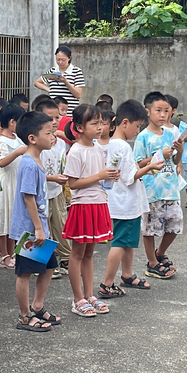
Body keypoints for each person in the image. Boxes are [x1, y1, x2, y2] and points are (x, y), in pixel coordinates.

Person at [100, 100, 162, 297]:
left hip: (118, 201)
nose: (137, 130)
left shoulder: (111, 144)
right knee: (120, 242)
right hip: (125, 203)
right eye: (137, 126)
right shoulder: (123, 147)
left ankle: (126, 275)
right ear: (125, 122)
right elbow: (129, 177)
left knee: (127, 241)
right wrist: (150, 166)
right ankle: (107, 283)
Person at [61, 104, 117, 317]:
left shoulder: (97, 149)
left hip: (98, 203)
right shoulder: (75, 151)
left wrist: (110, 177)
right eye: (94, 123)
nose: (100, 127)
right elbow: (73, 184)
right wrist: (100, 176)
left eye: (102, 123)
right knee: (77, 254)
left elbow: (98, 178)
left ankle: (90, 295)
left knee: (89, 254)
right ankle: (78, 299)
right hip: (82, 205)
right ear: (79, 128)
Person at [11, 111, 62, 331]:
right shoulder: (29, 163)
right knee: (24, 273)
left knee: (50, 265)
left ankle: (37, 305)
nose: (53, 137)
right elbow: (28, 197)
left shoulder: (36, 159)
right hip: (29, 230)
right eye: (49, 133)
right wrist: (39, 228)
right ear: (32, 138)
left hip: (38, 228)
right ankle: (24, 316)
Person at [134, 91, 184, 280]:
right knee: (150, 228)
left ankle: (160, 253)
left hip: (171, 188)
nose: (163, 115)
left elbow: (176, 160)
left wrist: (179, 151)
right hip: (152, 189)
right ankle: (152, 263)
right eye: (158, 111)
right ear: (148, 112)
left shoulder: (171, 133)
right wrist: (158, 156)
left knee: (175, 224)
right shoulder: (143, 137)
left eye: (166, 111)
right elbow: (137, 164)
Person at [34, 98, 71, 279]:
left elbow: (61, 164)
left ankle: (65, 258)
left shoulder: (61, 143)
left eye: (57, 117)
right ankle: (38, 262)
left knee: (60, 224)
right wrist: (52, 178)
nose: (54, 122)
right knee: (41, 226)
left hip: (56, 190)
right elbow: (34, 172)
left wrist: (62, 177)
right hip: (40, 192)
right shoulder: (35, 143)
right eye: (50, 118)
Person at [0, 103, 27, 269]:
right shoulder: (1, 140)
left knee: (13, 220)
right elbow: (1, 163)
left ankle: (12, 252)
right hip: (5, 184)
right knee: (3, 218)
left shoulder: (18, 138)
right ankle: (3, 255)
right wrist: (18, 152)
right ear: (12, 122)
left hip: (17, 184)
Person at [34, 45, 84, 115]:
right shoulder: (53, 71)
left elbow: (78, 94)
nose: (60, 62)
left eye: (63, 60)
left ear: (69, 58)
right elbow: (37, 82)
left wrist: (66, 82)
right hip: (54, 112)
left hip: (70, 112)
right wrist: (49, 90)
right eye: (58, 59)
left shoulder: (76, 71)